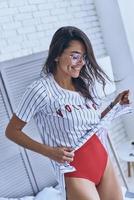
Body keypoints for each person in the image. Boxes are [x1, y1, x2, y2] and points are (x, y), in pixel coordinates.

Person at [5, 26, 131, 200]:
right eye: (75, 56)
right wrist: (49, 151)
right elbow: (11, 131)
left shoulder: (83, 85)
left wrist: (114, 105)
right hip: (75, 171)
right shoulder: (40, 90)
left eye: (84, 57)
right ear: (56, 54)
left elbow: (91, 127)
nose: (82, 62)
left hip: (102, 160)